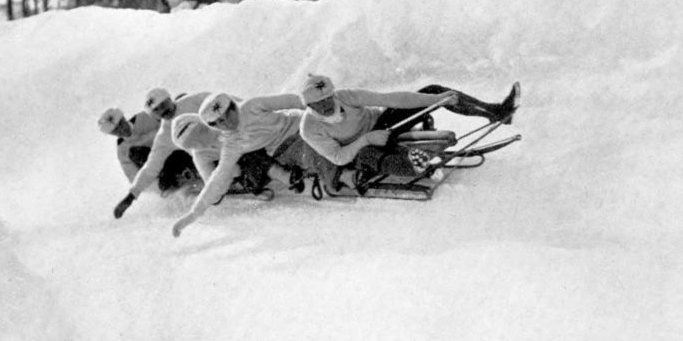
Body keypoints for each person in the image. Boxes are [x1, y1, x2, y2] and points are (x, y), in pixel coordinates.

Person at [298, 75, 520, 192]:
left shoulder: (345, 96)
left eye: (328, 98)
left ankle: (496, 112)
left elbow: (390, 99)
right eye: (319, 103)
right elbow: (338, 157)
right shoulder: (309, 128)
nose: (327, 105)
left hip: (383, 128)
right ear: (309, 106)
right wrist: (366, 140)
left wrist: (435, 100)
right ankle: (416, 166)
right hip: (358, 150)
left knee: (434, 90)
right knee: (367, 156)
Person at [170, 92, 322, 238]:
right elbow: (215, 182)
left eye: (200, 133)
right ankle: (285, 175)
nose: (201, 143)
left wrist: (318, 106)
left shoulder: (232, 117)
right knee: (247, 159)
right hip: (262, 160)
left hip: (291, 132)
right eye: (193, 143)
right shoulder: (207, 153)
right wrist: (193, 214)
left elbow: (286, 103)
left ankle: (290, 173)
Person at [112, 88, 212, 219]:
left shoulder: (194, 100)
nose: (163, 111)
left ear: (170, 99)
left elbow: (229, 103)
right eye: (157, 110)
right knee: (174, 158)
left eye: (164, 104)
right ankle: (191, 181)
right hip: (202, 159)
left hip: (226, 140)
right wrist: (131, 196)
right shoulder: (165, 135)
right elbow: (151, 167)